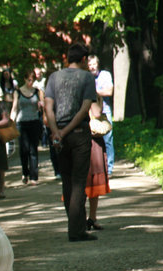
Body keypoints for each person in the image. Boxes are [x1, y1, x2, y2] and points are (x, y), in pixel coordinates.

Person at [44, 43, 98, 242]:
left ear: (67, 57)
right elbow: (85, 109)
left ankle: (74, 224)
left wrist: (56, 132)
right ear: (83, 59)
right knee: (78, 182)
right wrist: (65, 131)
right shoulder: (87, 77)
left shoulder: (53, 77)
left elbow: (48, 108)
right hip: (79, 134)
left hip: (59, 136)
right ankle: (76, 230)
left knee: (66, 181)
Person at [11, 69, 44, 185]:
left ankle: (34, 177)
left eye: (33, 80)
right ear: (25, 79)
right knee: (24, 150)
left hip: (34, 121)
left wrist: (41, 106)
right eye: (29, 79)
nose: (31, 82)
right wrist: (11, 121)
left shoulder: (37, 92)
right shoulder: (18, 92)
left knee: (33, 149)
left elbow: (43, 105)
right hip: (22, 123)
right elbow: (14, 108)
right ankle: (25, 172)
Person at [88, 55, 115, 175]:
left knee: (108, 139)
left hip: (105, 111)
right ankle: (96, 168)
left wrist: (94, 92)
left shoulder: (105, 75)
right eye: (90, 65)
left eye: (94, 64)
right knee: (92, 141)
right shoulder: (86, 77)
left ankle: (109, 169)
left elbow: (109, 91)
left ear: (98, 64)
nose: (92, 67)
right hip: (90, 113)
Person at [86, 98, 111, 230]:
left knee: (84, 181)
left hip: (76, 136)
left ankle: (84, 218)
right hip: (90, 142)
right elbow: (96, 113)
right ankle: (92, 217)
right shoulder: (90, 91)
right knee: (92, 180)